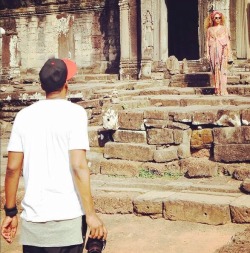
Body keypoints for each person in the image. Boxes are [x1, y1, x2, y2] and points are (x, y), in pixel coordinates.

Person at [1, 58, 107, 253]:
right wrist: (91, 215)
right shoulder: (75, 113)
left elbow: (13, 168)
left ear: (42, 86)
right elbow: (78, 166)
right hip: (68, 220)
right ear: (66, 84)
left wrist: (10, 211)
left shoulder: (24, 116)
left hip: (33, 222)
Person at [204, 11, 232, 96]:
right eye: (216, 18)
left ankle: (223, 89)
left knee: (222, 69)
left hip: (223, 50)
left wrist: (229, 53)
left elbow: (227, 41)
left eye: (219, 17)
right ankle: (217, 89)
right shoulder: (209, 30)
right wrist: (207, 53)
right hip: (213, 50)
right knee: (214, 70)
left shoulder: (224, 28)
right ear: (213, 18)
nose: (218, 19)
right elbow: (207, 42)